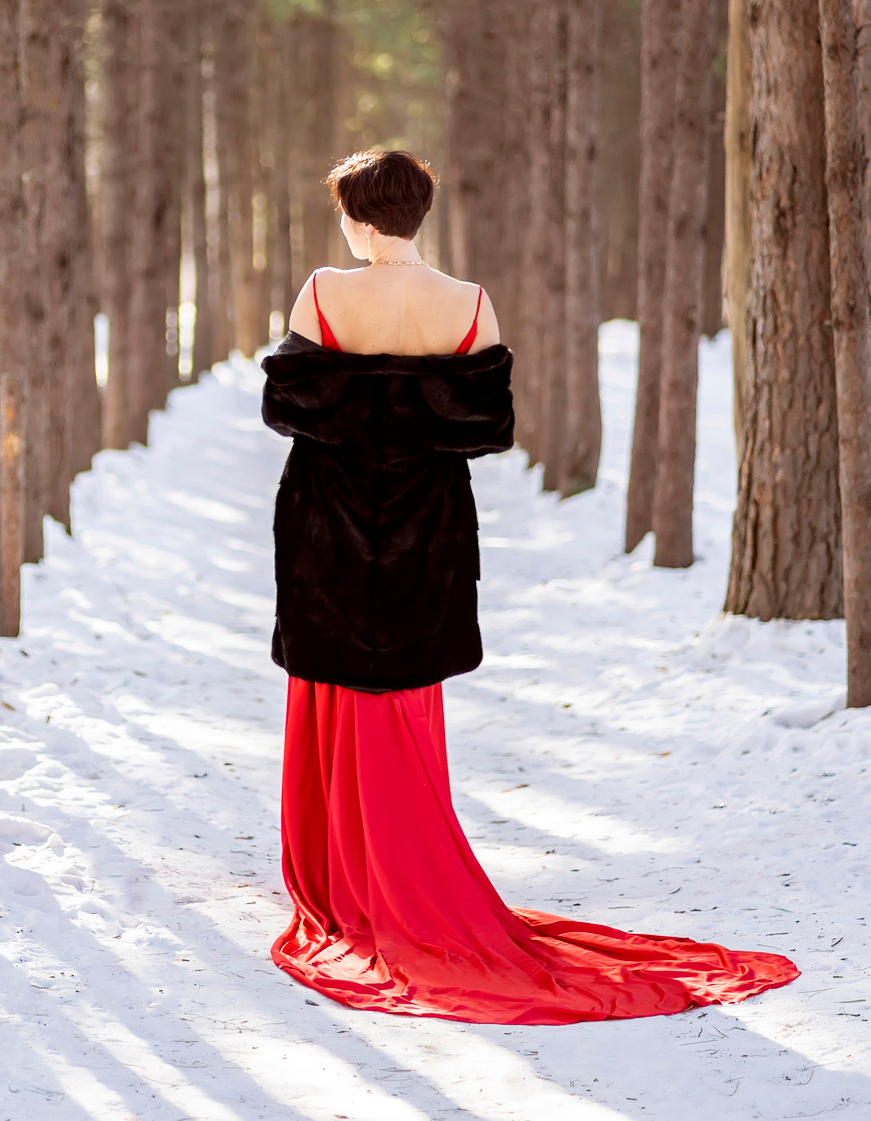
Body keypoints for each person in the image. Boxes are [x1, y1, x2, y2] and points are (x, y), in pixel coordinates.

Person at [260, 149, 798, 1025]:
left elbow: (288, 409)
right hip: (426, 526)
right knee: (406, 697)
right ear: (418, 216)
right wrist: (416, 401)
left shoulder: (324, 291)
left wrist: (358, 397)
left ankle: (343, 877)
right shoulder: (467, 304)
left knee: (331, 692)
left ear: (359, 218)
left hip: (326, 525)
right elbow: (486, 427)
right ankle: (406, 864)